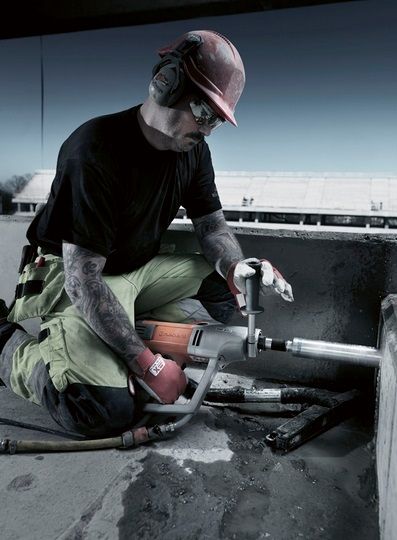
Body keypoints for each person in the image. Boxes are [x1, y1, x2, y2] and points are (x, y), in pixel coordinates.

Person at [0, 30, 293, 437]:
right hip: (71, 278)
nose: (208, 130)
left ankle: (123, 333)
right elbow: (82, 279)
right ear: (167, 85)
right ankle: (6, 345)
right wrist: (149, 366)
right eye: (205, 113)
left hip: (137, 268)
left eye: (216, 121)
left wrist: (235, 267)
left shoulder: (193, 151)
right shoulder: (95, 150)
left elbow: (211, 226)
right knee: (101, 410)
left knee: (231, 289)